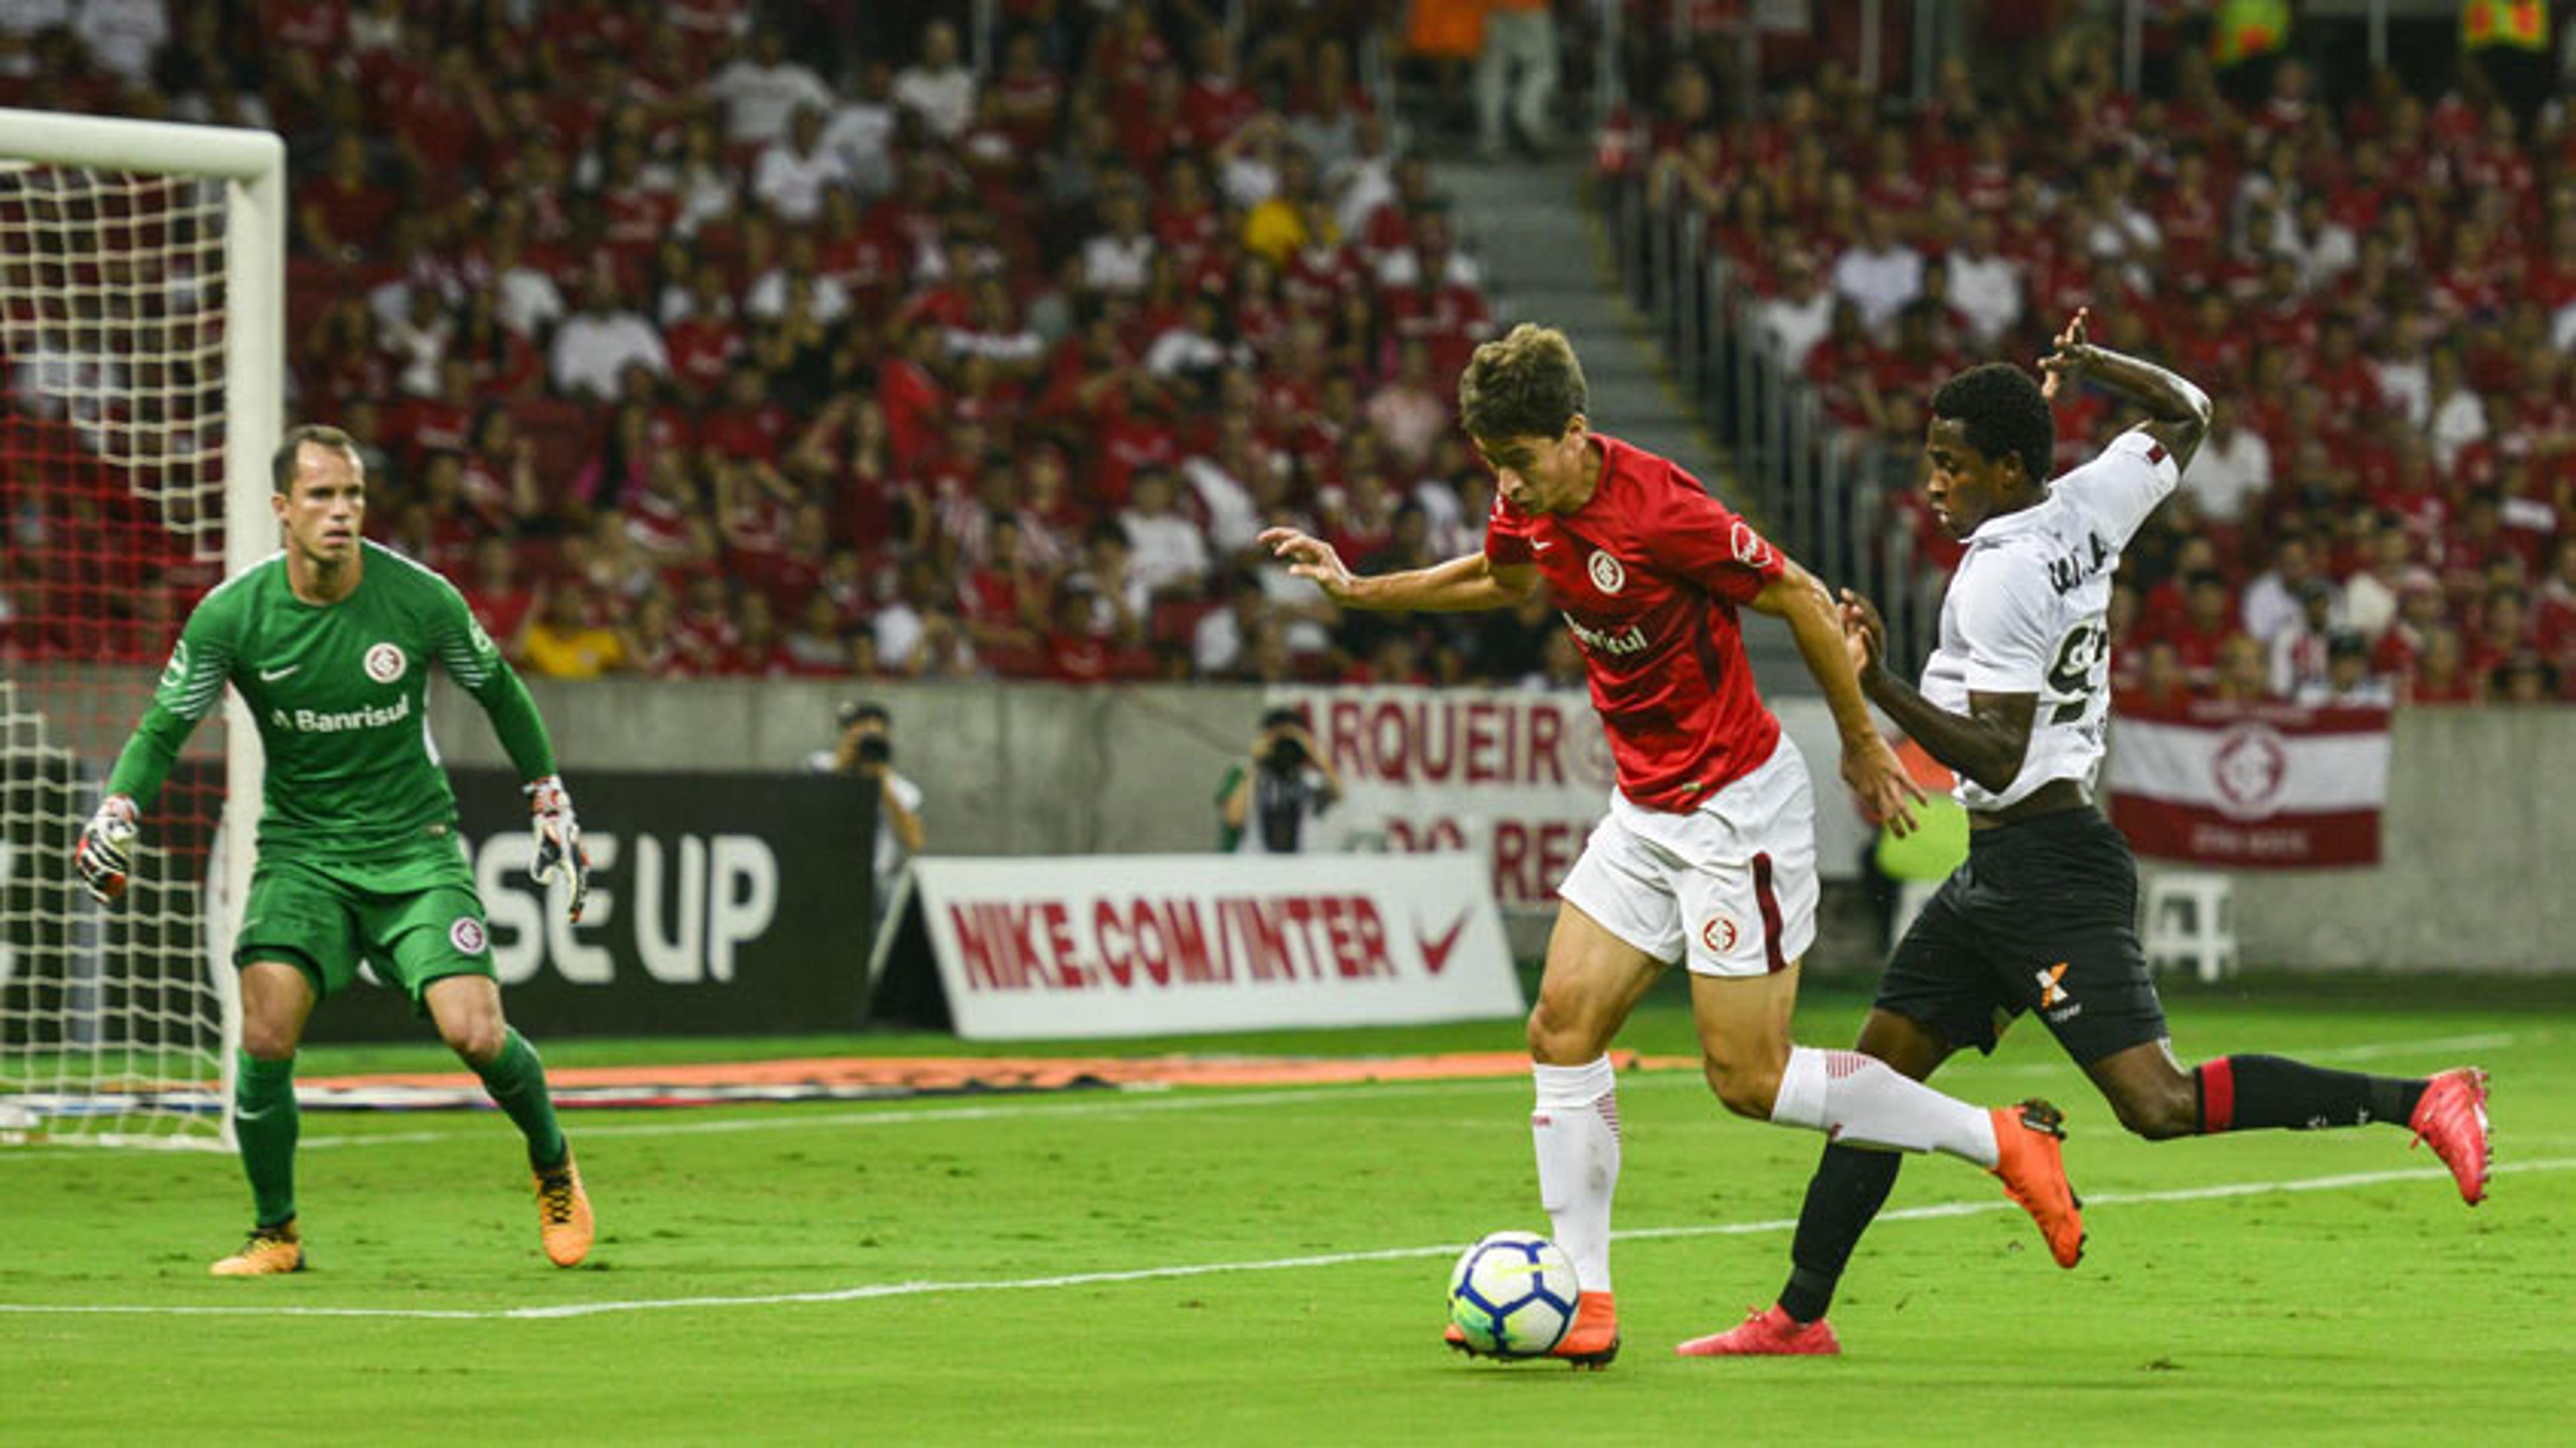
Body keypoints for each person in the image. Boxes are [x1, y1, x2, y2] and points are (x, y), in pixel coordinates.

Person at [1261, 323, 2086, 1369]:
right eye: (1494, 467)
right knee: (1561, 1029)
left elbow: (1792, 590)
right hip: (1646, 808)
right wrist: (1364, 589)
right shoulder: (1529, 499)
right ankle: (1586, 1301)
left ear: (1575, 430)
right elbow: (1511, 580)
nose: (1506, 484)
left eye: (1519, 461)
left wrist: (1863, 742)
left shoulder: (1661, 508)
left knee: (1750, 1079)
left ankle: (2002, 1138)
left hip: (1737, 808)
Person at [1696, 311, 2493, 1357]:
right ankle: (1798, 1315)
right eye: (1929, 460)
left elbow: (1994, 751)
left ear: (2009, 464)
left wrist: (1877, 679)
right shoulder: (2092, 499)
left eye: (1952, 465)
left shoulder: (2001, 576)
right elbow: (2189, 410)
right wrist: (2099, 366)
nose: (1933, 483)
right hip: (1998, 870)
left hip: (2050, 866)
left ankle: (2423, 1098)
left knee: (2155, 1103)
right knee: (1877, 1081)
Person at [72, 425, 597, 1276]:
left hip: (412, 850)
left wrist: (547, 794)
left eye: (352, 494)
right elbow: (166, 727)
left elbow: (497, 688)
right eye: (321, 495)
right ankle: (276, 1233)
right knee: (267, 1027)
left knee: (474, 1031)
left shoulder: (418, 598)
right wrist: (120, 807)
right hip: (301, 853)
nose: (342, 512)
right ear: (283, 509)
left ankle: (552, 1162)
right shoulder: (233, 617)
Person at [806, 700, 926, 916]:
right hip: (826, 873)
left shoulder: (901, 789)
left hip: (875, 878)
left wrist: (881, 784)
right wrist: (841, 768)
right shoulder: (821, 765)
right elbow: (804, 811)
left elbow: (914, 841)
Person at [1216, 705, 1343, 854]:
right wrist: (1256, 763)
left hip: (1301, 864)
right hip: (1255, 863)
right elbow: (1234, 819)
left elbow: (1338, 793)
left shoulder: (1309, 778)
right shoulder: (1244, 771)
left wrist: (1313, 751)